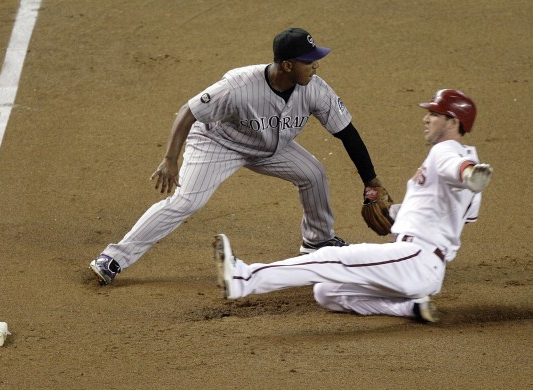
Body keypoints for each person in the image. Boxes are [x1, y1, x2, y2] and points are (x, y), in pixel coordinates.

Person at [90, 27, 385, 285]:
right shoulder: (238, 86)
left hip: (269, 147)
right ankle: (113, 258)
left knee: (313, 173)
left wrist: (371, 181)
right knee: (186, 201)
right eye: (308, 61)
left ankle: (318, 240)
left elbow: (347, 133)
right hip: (218, 143)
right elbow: (188, 112)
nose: (316, 65)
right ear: (286, 65)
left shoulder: (315, 90)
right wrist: (170, 159)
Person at [214, 89, 493, 322]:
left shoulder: (447, 152)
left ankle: (244, 277)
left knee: (328, 257)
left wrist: (470, 174)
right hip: (423, 268)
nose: (427, 118)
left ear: (453, 121)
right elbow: (455, 214)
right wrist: (395, 214)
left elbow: (458, 168)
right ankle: (411, 307)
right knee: (326, 292)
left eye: (434, 114)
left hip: (415, 259)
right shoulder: (464, 160)